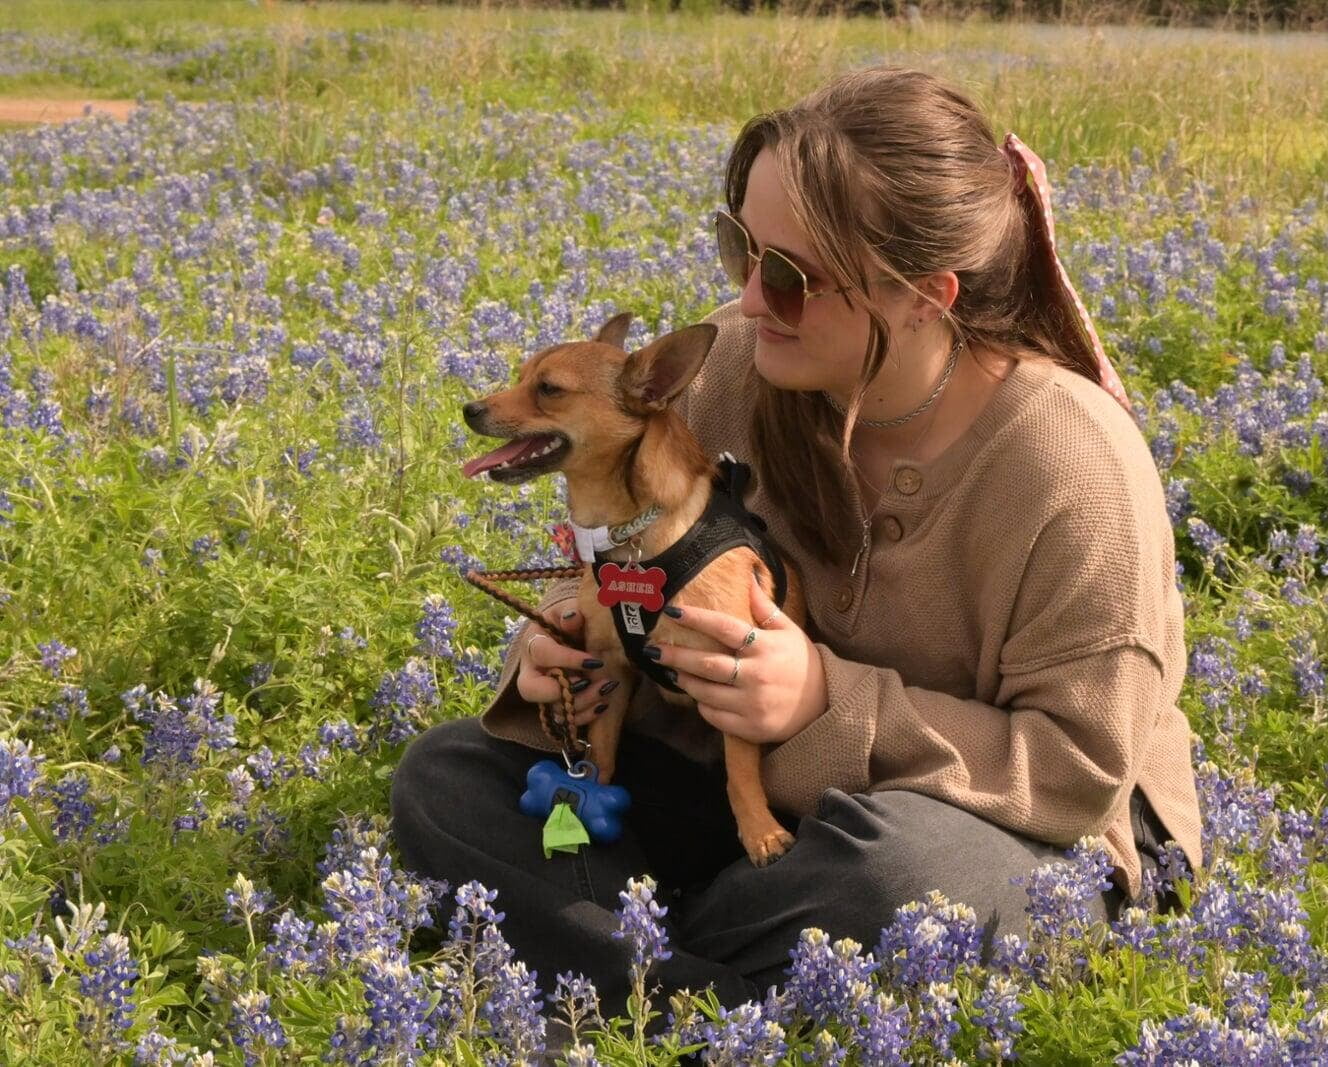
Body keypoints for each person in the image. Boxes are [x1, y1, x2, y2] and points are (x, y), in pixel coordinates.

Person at [391, 66, 1201, 1035]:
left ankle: (624, 979)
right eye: (740, 247)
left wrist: (823, 699)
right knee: (450, 779)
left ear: (924, 296)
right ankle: (722, 999)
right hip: (748, 792)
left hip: (1001, 823)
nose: (749, 294)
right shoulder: (737, 359)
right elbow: (646, 554)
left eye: (790, 276)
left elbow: (1076, 766)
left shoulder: (1069, 465)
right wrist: (572, 647)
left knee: (896, 878)